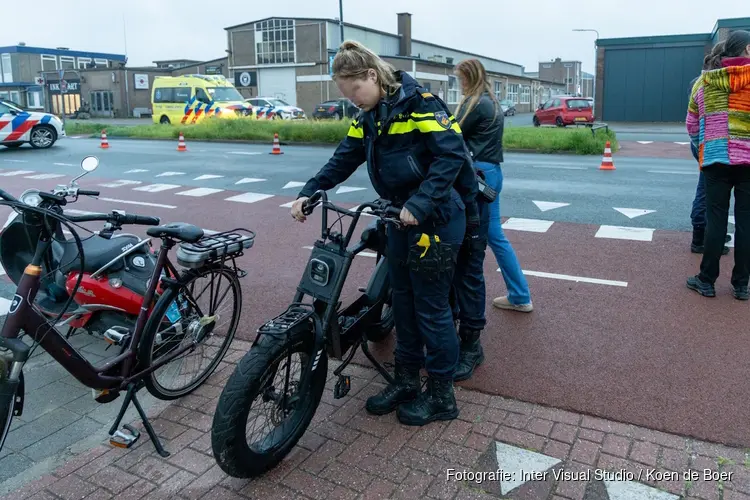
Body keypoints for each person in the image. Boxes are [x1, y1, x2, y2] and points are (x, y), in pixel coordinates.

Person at [291, 40, 480, 425]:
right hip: (398, 217)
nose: (352, 101)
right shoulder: (370, 115)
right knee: (404, 303)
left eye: (355, 92)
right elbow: (344, 157)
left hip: (437, 219)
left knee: (431, 307)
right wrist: (310, 190)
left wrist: (421, 203)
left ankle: (442, 395)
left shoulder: (421, 103)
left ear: (372, 76)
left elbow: (451, 156)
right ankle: (407, 379)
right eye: (347, 96)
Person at [448, 58, 508, 381]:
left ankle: (471, 342)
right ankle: (519, 293)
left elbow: (451, 133)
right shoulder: (490, 101)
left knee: (472, 252)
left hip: (479, 176)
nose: (458, 84)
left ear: (467, 78)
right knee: (488, 239)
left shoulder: (476, 105)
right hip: (489, 174)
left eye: (459, 79)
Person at [686, 30, 750, 301]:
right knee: (747, 223)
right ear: (745, 51)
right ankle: (741, 285)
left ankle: (707, 280)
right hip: (748, 160)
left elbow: (691, 125)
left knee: (716, 221)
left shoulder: (703, 82)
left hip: (714, 160)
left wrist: (704, 147)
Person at [689, 42, 731, 256]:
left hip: (706, 142)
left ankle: (708, 233)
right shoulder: (719, 80)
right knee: (707, 190)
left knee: (708, 188)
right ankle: (701, 237)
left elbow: (692, 121)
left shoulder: (703, 79)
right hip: (714, 144)